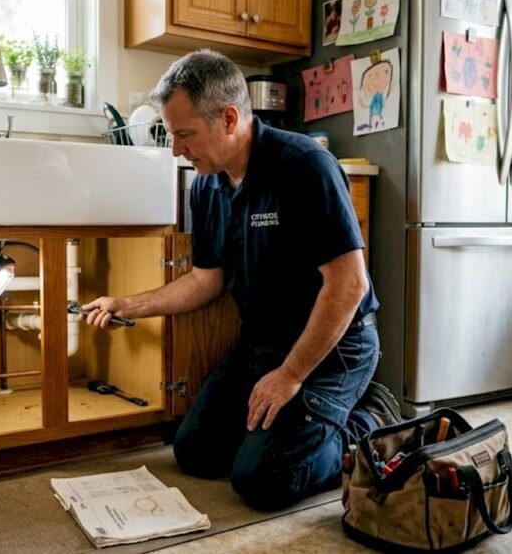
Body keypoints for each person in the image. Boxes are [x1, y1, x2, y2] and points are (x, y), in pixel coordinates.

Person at [80, 50, 402, 511]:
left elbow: (349, 285)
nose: (176, 149)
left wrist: (290, 376)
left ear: (229, 118)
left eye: (184, 134)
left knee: (261, 481)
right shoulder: (207, 184)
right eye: (172, 135)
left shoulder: (304, 164)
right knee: (196, 453)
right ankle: (305, 424)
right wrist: (125, 305)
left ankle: (366, 423)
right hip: (263, 345)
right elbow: (204, 281)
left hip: (336, 349)